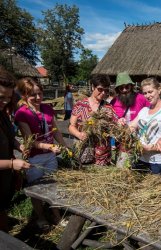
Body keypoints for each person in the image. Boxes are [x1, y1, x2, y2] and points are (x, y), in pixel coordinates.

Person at [15, 77, 67, 230]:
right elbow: (29, 140)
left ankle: (56, 216)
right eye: (33, 95)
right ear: (24, 95)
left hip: (50, 156)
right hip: (35, 157)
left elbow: (55, 129)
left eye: (40, 93)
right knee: (36, 188)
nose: (38, 98)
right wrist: (49, 146)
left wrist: (63, 145)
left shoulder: (47, 108)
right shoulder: (22, 113)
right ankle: (41, 217)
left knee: (53, 186)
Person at [0, 67, 31, 232]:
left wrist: (19, 145)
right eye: (1, 97)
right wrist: (12, 164)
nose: (5, 101)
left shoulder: (2, 114)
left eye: (8, 97)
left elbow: (9, 137)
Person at [129, 77, 161, 175]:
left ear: (159, 90)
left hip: (158, 163)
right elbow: (132, 126)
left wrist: (150, 148)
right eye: (145, 93)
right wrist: (123, 124)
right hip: (140, 160)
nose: (147, 96)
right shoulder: (144, 110)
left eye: (150, 92)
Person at [69, 74, 117, 166]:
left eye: (106, 90)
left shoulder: (108, 106)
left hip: (102, 154)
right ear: (92, 87)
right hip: (84, 149)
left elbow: (114, 127)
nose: (103, 93)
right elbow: (71, 126)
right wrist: (79, 134)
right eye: (100, 89)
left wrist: (110, 120)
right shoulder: (80, 105)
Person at [111, 72, 149, 167]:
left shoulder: (141, 98)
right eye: (121, 88)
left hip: (140, 140)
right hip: (122, 142)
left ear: (131, 86)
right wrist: (117, 122)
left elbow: (151, 113)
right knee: (122, 167)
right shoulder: (114, 101)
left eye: (127, 87)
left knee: (139, 168)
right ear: (118, 89)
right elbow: (110, 118)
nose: (124, 90)